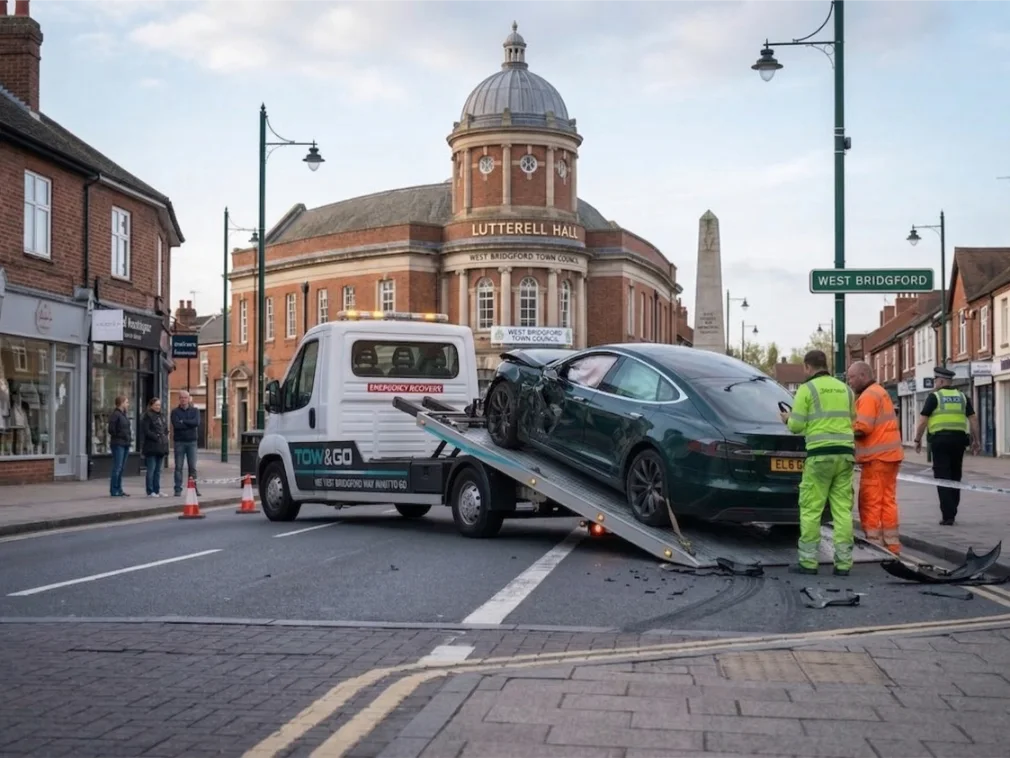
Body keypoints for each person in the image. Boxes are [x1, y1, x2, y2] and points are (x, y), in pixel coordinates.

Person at [781, 349, 857, 576]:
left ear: (807, 367)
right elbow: (852, 420)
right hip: (845, 454)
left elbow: (796, 426)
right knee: (842, 510)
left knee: (811, 508)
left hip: (819, 456)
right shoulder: (846, 389)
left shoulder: (807, 389)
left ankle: (808, 562)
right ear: (826, 364)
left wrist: (788, 418)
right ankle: (843, 564)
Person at [846, 361, 903, 554]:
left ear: (863, 375)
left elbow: (862, 427)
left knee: (870, 500)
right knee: (887, 500)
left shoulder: (869, 396)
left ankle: (875, 543)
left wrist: (841, 429)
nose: (849, 382)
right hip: (890, 456)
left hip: (876, 458)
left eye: (851, 377)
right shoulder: (879, 391)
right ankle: (892, 544)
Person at [913, 366, 981, 525]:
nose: (935, 383)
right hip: (959, 442)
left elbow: (923, 421)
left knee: (942, 478)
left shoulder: (934, 397)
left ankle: (948, 515)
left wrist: (917, 439)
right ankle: (953, 510)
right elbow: (973, 420)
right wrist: (976, 441)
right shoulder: (963, 397)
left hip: (940, 442)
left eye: (936, 380)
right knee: (956, 475)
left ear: (941, 381)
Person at [171, 390, 201, 496]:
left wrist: (183, 421)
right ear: (179, 399)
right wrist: (188, 423)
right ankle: (178, 489)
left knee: (192, 467)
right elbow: (176, 425)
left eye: (185, 397)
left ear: (189, 399)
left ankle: (193, 488)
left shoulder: (195, 411)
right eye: (181, 398)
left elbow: (196, 423)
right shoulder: (175, 412)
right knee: (178, 467)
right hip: (179, 442)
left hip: (192, 442)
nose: (183, 399)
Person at [139, 397, 169, 497]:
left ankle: (157, 490)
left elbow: (164, 428)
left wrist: (164, 435)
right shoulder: (147, 416)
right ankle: (150, 490)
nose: (158, 407)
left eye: (159, 405)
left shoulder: (161, 416)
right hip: (151, 446)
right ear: (151, 405)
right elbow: (146, 431)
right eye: (156, 405)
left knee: (158, 471)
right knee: (151, 470)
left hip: (161, 446)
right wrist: (156, 436)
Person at [108, 395, 132, 498]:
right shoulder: (115, 415)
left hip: (125, 443)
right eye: (126, 402)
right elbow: (111, 430)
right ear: (121, 403)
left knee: (121, 468)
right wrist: (121, 434)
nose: (128, 404)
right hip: (118, 444)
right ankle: (114, 490)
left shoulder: (124, 415)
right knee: (117, 467)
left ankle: (119, 489)